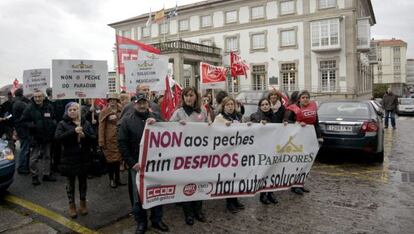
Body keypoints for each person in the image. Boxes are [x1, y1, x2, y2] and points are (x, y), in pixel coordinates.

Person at [118, 93, 169, 234]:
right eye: (139, 103)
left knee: (157, 193)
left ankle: (157, 220)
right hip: (137, 166)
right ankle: (141, 222)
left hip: (155, 166)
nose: (142, 105)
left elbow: (171, 133)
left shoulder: (156, 118)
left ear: (148, 104)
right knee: (138, 196)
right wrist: (131, 163)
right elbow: (122, 144)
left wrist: (179, 124)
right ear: (134, 104)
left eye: (144, 102)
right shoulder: (127, 121)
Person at [170, 87, 209, 226]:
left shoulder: (203, 110)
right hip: (185, 156)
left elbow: (209, 128)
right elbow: (167, 130)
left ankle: (198, 210)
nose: (189, 98)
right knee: (186, 184)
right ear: (183, 98)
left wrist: (210, 125)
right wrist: (176, 126)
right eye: (186, 96)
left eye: (191, 95)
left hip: (200, 155)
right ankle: (188, 213)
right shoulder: (178, 113)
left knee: (199, 183)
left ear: (195, 97)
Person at [55, 102, 96, 219]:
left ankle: (83, 203)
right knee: (70, 183)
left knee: (83, 182)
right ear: (67, 112)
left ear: (79, 111)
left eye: (75, 109)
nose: (72, 111)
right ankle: (72, 205)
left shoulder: (85, 123)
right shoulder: (62, 124)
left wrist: (84, 135)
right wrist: (73, 131)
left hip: (83, 157)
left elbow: (93, 138)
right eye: (70, 110)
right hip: (69, 158)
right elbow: (58, 138)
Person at [213, 97, 247, 213]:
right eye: (227, 105)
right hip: (226, 152)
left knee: (236, 176)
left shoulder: (239, 117)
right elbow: (215, 133)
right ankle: (229, 202)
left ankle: (235, 199)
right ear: (223, 106)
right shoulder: (219, 118)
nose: (230, 106)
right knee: (228, 177)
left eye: (232, 104)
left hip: (238, 150)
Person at [285, 90, 321, 195]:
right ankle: (294, 185)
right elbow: (286, 121)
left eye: (307, 97)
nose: (305, 99)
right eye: (303, 97)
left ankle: (300, 183)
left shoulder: (312, 109)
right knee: (297, 162)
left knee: (305, 162)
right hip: (295, 140)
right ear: (299, 99)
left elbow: (316, 124)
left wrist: (319, 137)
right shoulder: (293, 109)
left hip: (308, 138)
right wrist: (297, 123)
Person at [19, 89, 57, 185]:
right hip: (35, 137)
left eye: (39, 96)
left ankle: (46, 174)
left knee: (47, 156)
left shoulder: (49, 106)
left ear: (43, 97)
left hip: (47, 136)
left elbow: (54, 118)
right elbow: (23, 121)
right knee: (33, 158)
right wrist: (32, 125)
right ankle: (34, 176)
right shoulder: (29, 108)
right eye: (35, 97)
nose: (37, 99)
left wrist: (53, 124)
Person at [250, 98, 280, 205]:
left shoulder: (274, 116)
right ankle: (263, 195)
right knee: (264, 172)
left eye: (267, 104)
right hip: (262, 148)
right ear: (259, 106)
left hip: (273, 147)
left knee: (273, 170)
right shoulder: (255, 116)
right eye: (263, 104)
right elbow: (252, 125)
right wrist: (258, 123)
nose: (265, 106)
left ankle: (270, 193)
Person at [98, 93, 125, 188]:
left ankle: (118, 179)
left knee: (118, 160)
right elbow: (101, 127)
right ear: (108, 101)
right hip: (109, 139)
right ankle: (111, 179)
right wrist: (101, 140)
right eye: (110, 100)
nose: (112, 101)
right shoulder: (105, 111)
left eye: (114, 100)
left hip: (119, 138)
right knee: (110, 160)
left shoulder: (121, 110)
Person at [12, 88, 31, 174]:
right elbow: (30, 108)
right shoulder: (20, 103)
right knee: (25, 149)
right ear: (22, 94)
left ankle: (23, 166)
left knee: (24, 147)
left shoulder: (15, 102)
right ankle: (22, 167)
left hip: (20, 128)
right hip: (23, 128)